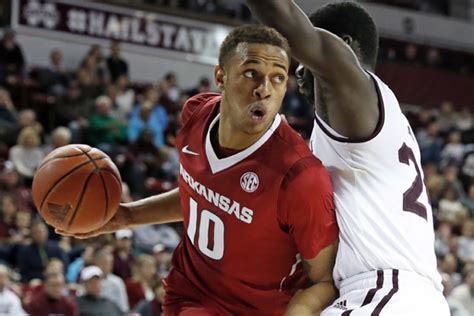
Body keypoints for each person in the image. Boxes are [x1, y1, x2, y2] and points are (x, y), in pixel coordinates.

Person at [58, 25, 339, 315]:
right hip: (189, 294)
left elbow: (323, 282)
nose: (264, 89)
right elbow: (200, 192)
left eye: (278, 78)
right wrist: (127, 216)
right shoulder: (197, 114)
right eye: (251, 73)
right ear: (221, 77)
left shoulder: (301, 177)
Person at [245, 1, 450, 315]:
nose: (296, 73)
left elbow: (284, 17)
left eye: (302, 59)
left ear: (344, 46)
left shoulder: (357, 91)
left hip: (384, 291)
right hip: (399, 295)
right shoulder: (366, 125)